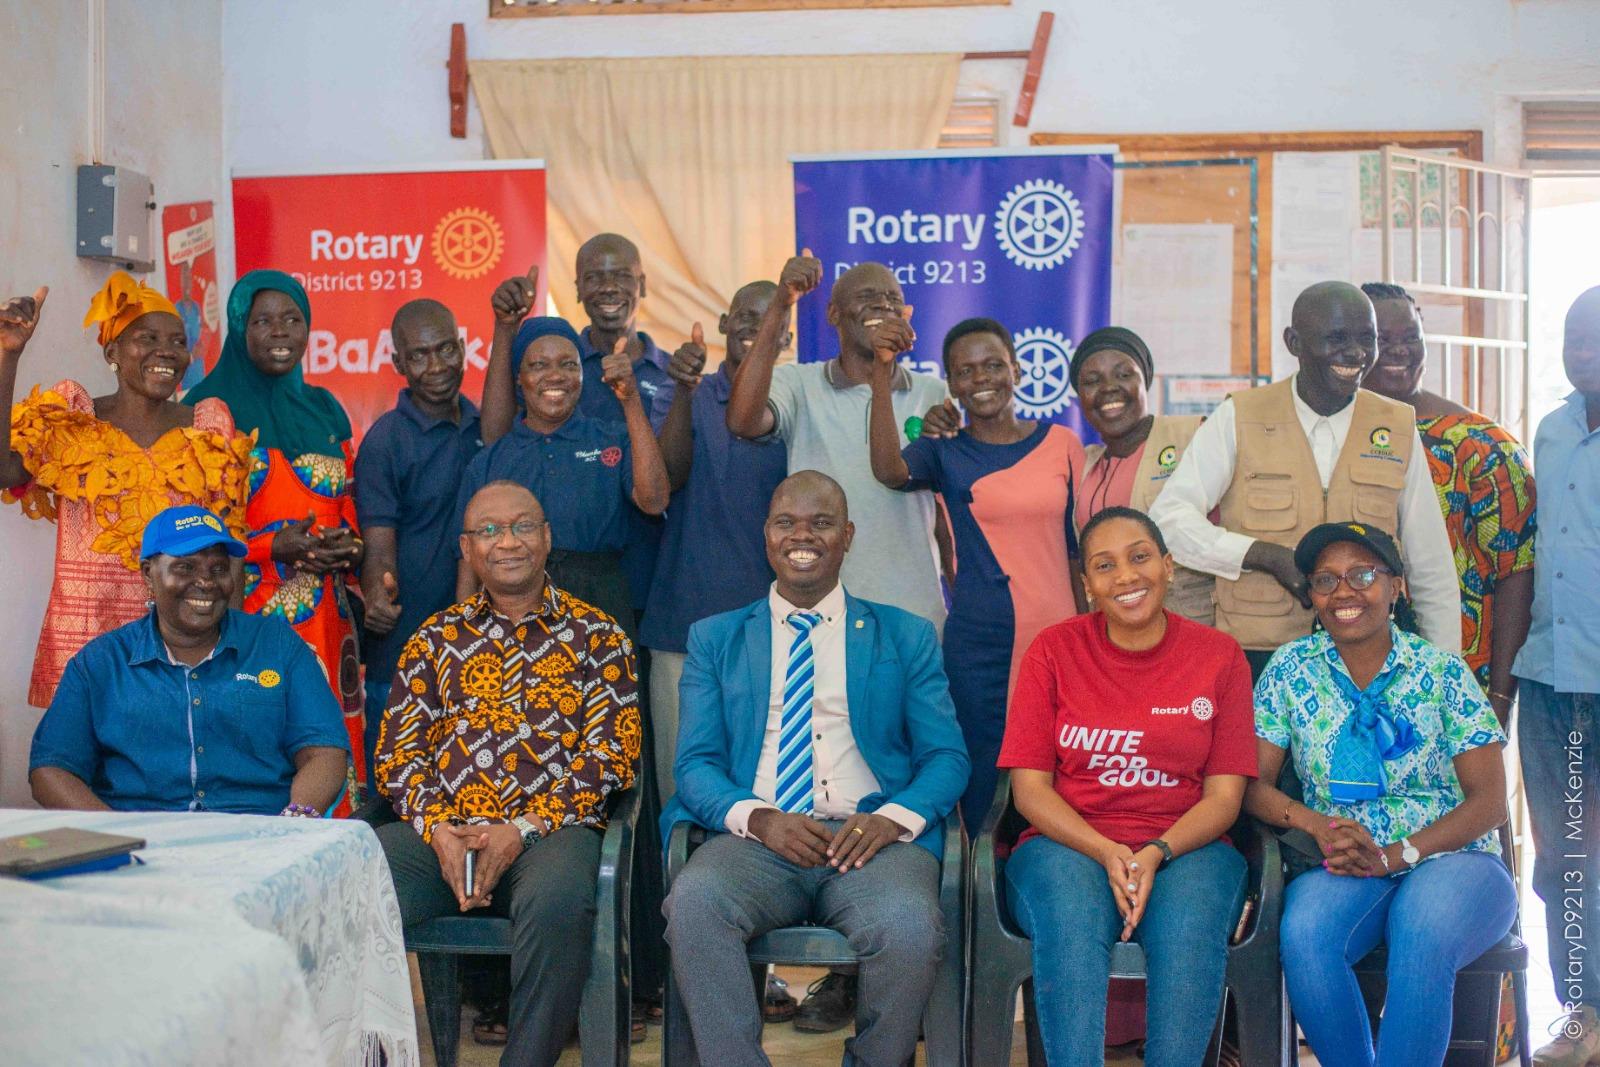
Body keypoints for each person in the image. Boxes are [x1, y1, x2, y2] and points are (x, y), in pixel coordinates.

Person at [662, 471, 968, 1064]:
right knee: (695, 903)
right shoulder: (715, 638)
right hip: (756, 842)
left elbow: (946, 757)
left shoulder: (905, 635)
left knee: (909, 926)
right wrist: (761, 820)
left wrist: (891, 820)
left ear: (846, 536)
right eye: (787, 523)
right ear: (767, 535)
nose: (802, 536)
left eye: (821, 523)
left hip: (869, 843)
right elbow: (695, 764)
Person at [372, 481, 639, 1067]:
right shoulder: (434, 638)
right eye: (489, 531)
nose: (508, 542)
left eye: (522, 527)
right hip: (443, 836)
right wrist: (440, 830)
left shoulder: (599, 636)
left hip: (549, 832)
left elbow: (612, 756)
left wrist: (522, 828)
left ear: (547, 538)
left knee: (560, 900)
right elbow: (398, 756)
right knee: (352, 879)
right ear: (467, 549)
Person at [1245, 522, 1514, 1067]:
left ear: (1397, 588)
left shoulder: (1442, 672)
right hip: (1344, 858)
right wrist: (1318, 826)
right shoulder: (1290, 670)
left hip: (1453, 857)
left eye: (1363, 575)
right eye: (1326, 579)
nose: (1344, 591)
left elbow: (1489, 802)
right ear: (1312, 595)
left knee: (1423, 929)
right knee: (1305, 936)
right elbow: (1250, 785)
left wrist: (1397, 854)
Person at [998, 506, 1257, 1066]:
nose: (1126, 576)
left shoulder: (1220, 657)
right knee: (1070, 919)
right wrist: (1106, 850)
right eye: (1105, 565)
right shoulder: (1053, 650)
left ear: (1168, 566)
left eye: (1140, 557)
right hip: (1068, 844)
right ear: (1087, 585)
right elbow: (1030, 791)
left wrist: (1156, 852)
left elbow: (1224, 798)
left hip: (1189, 846)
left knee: (1189, 929)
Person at [1148, 280, 1460, 677]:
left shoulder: (1395, 424)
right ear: (1294, 342)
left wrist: (1446, 676)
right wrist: (1261, 555)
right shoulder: (1240, 415)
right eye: (1337, 338)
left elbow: (1431, 564)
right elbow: (1168, 520)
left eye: (1367, 339)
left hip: (1365, 659)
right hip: (1260, 654)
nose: (1356, 353)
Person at [869, 316, 1086, 828]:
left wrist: (1090, 632)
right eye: (965, 371)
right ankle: (974, 870)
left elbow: (1077, 549)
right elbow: (888, 470)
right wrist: (881, 373)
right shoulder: (942, 449)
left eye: (993, 365)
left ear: (1016, 370)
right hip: (980, 643)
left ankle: (1047, 863)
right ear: (951, 383)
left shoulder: (1063, 442)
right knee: (980, 772)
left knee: (1063, 767)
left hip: (1059, 637)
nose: (981, 378)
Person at [0, 275, 252, 708]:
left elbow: (228, 551)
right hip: (85, 641)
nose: (166, 351)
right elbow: (5, 472)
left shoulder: (209, 427)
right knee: (82, 750)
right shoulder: (72, 417)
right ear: (112, 352)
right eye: (147, 338)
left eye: (177, 341)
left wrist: (231, 657)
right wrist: (8, 356)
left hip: (181, 642)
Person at [29, 505, 348, 816]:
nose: (206, 582)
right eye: (185, 568)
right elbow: (51, 769)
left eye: (218, 569)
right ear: (148, 574)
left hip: (261, 832)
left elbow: (323, 752)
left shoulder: (277, 645)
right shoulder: (101, 663)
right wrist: (115, 834)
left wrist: (295, 820)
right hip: (143, 835)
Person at [184, 270, 367, 811]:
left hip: (328, 615)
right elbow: (194, 521)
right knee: (263, 736)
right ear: (240, 327)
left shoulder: (324, 407)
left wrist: (351, 546)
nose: (280, 331)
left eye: (292, 319)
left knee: (329, 739)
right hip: (250, 609)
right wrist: (271, 548)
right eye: (262, 321)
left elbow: (348, 500)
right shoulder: (207, 409)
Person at [727, 252, 950, 632]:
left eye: (892, 299)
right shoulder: (799, 383)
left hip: (915, 610)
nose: (882, 305)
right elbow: (743, 421)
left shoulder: (934, 392)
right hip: (823, 610)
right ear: (833, 314)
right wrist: (782, 301)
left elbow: (946, 512)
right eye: (867, 296)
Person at [1359, 282, 1536, 721]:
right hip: (1346, 683)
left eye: (1411, 337)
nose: (1400, 351)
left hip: (1457, 684)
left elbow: (1517, 574)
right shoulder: (1330, 437)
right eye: (1383, 340)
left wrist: (1500, 699)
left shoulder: (1481, 445)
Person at [642, 282, 790, 802]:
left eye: (771, 318)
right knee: (682, 786)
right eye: (745, 314)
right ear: (724, 323)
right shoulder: (684, 390)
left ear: (786, 337)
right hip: (684, 620)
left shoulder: (793, 399)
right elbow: (665, 480)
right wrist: (683, 391)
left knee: (766, 783)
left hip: (776, 628)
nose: (755, 325)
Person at [455, 288, 669, 635]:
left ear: (584, 374)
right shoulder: (490, 460)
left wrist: (630, 399)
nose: (555, 376)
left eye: (568, 364)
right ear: (519, 378)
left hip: (601, 607)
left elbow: (654, 500)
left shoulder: (611, 439)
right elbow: (467, 568)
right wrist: (467, 638)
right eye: (539, 365)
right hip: (512, 613)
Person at [1513, 285, 1600, 1066]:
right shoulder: (1552, 429)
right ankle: (1582, 1014)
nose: (1586, 352)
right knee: (1565, 859)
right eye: (1576, 337)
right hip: (1551, 683)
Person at [354, 298, 483, 768]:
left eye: (446, 349)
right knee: (398, 785)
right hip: (405, 649)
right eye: (420, 355)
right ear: (398, 363)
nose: (437, 366)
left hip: (481, 642)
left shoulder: (486, 426)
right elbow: (378, 545)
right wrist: (378, 593)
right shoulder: (386, 440)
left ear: (463, 349)